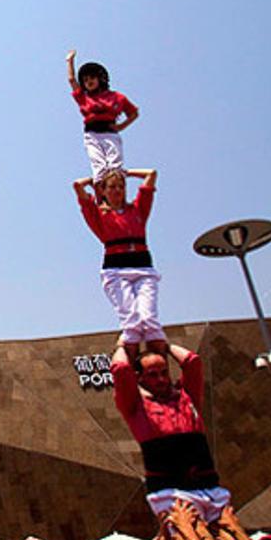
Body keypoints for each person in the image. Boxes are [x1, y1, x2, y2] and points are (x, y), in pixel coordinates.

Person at [111, 341, 232, 525]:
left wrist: (164, 345)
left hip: (208, 486)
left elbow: (192, 362)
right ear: (140, 378)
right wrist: (122, 347)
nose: (160, 379)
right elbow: (120, 370)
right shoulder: (135, 405)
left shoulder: (186, 396)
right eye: (152, 375)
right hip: (169, 492)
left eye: (164, 372)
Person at [74, 168, 164, 360]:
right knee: (131, 323)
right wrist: (94, 181)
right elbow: (77, 186)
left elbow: (151, 174)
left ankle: (160, 369)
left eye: (120, 187)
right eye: (112, 187)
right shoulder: (98, 215)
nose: (117, 190)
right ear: (103, 191)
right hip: (116, 270)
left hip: (143, 268)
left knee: (150, 321)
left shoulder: (138, 209)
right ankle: (127, 370)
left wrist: (126, 172)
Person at [66, 51, 138, 183]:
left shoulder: (117, 97)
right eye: (86, 80)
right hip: (92, 134)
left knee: (115, 167)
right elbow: (72, 80)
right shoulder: (84, 98)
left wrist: (121, 126)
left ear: (100, 78)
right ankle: (101, 197)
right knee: (99, 168)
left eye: (92, 78)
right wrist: (69, 61)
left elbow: (133, 113)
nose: (89, 82)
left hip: (110, 132)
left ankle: (117, 195)